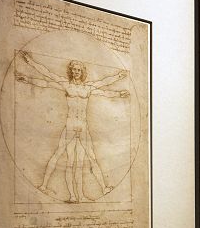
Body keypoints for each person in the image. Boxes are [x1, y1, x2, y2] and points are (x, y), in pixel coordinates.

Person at [16, 51, 130, 203]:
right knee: (64, 158)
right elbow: (47, 78)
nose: (76, 72)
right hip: (70, 126)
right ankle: (47, 187)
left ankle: (96, 190)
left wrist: (119, 86)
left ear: (82, 72)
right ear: (71, 71)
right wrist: (29, 68)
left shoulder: (88, 88)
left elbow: (104, 88)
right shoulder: (65, 85)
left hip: (83, 126)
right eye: (74, 69)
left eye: (79, 70)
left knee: (88, 159)